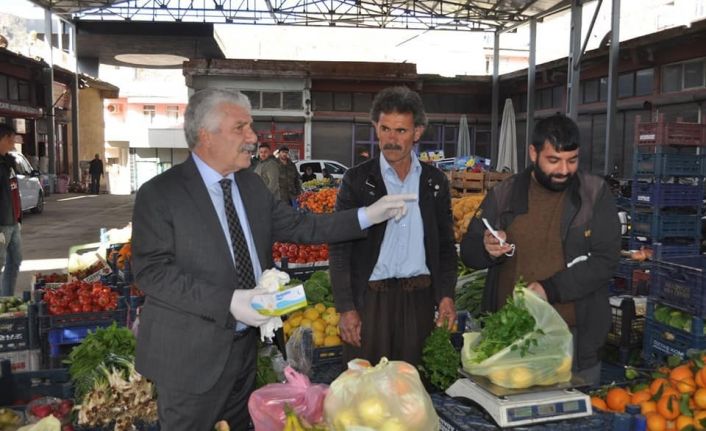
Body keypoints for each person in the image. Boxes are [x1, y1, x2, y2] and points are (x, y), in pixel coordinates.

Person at [131, 87, 416, 431]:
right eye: (241, 128)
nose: (253, 137)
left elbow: (302, 226)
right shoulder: (161, 193)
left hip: (242, 353)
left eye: (251, 127)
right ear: (206, 135)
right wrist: (229, 302)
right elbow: (152, 273)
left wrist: (367, 215)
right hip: (190, 358)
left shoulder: (250, 186)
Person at [460, 114, 620, 385]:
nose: (564, 170)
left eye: (572, 160)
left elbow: (606, 261)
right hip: (512, 339)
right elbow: (469, 252)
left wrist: (550, 288)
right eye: (554, 160)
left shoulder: (594, 194)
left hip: (575, 339)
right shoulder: (505, 195)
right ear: (533, 153)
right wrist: (486, 248)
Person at [329, 86, 457, 367]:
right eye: (385, 129)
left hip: (420, 303)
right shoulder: (357, 181)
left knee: (413, 393)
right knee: (366, 392)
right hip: (370, 303)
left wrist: (446, 295)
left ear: (417, 132)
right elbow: (339, 249)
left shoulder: (434, 182)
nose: (391, 139)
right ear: (375, 127)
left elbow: (446, 246)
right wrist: (346, 308)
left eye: (401, 131)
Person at [0, 124, 22, 297]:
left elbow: (13, 191)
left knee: (15, 260)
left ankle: (6, 299)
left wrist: (18, 218)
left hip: (13, 221)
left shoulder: (8, 162)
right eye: (11, 138)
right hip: (2, 223)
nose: (13, 142)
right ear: (4, 138)